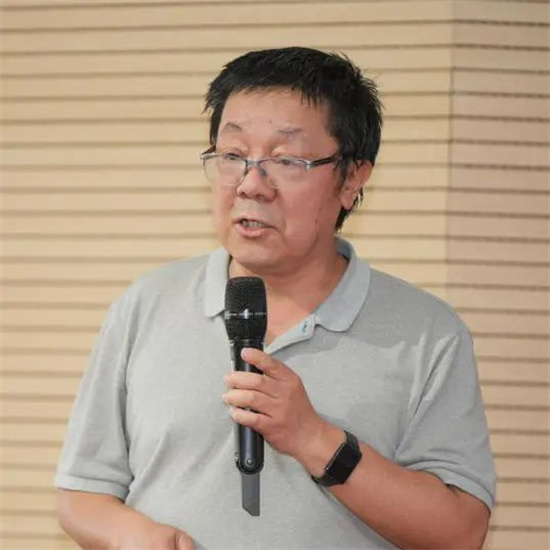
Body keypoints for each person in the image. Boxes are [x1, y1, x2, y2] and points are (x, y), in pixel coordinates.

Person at [55, 47, 496, 550]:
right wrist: (132, 535)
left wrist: (314, 439)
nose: (251, 185)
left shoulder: (427, 333)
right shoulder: (146, 305)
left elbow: (460, 532)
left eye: (286, 160)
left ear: (352, 178)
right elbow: (81, 493)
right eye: (233, 156)